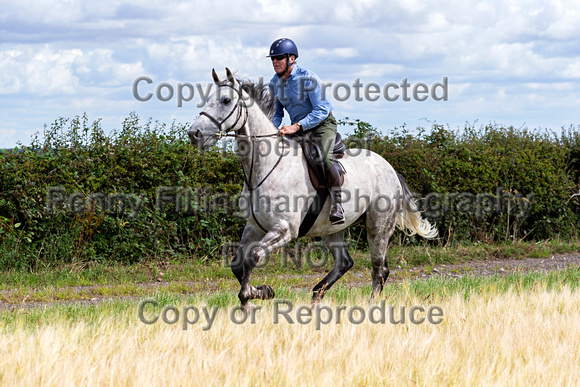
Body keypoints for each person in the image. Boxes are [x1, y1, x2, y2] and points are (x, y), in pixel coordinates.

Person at [267, 38, 345, 225]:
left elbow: (322, 109)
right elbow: (277, 113)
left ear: (291, 58)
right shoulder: (274, 83)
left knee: (323, 157)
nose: (275, 62)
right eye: (272, 59)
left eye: (279, 58)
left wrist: (296, 126)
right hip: (298, 129)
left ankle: (337, 204)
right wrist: (271, 129)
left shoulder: (308, 78)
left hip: (322, 125)